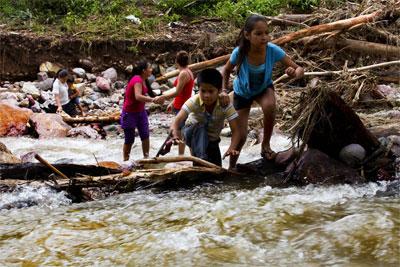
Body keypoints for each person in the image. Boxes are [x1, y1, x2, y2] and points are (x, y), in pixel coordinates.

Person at [221, 14, 304, 160]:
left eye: (266, 33)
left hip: (262, 88)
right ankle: (232, 167)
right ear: (247, 35)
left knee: (270, 105)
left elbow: (299, 69)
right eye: (258, 34)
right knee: (240, 137)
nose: (264, 37)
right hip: (242, 93)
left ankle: (265, 145)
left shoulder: (272, 50)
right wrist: (223, 91)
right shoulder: (239, 52)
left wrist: (294, 74)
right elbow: (226, 70)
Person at [170, 68, 241, 169]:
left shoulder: (225, 104)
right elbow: (176, 122)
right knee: (200, 127)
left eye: (211, 91)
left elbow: (236, 130)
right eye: (203, 91)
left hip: (212, 140)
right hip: (192, 133)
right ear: (198, 89)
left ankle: (203, 162)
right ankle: (201, 161)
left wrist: (232, 147)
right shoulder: (194, 101)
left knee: (217, 170)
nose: (206, 95)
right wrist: (175, 135)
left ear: (219, 90)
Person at [155, 51, 195, 156]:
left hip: (182, 107)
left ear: (176, 62)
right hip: (181, 105)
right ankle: (184, 156)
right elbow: (182, 92)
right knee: (181, 132)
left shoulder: (183, 73)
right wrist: (172, 102)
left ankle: (184, 157)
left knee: (182, 133)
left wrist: (163, 97)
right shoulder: (188, 71)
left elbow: (177, 91)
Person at [121, 60, 161, 161]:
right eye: (150, 68)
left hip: (140, 112)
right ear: (144, 70)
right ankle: (126, 160)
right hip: (129, 113)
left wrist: (160, 97)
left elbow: (150, 94)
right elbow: (138, 96)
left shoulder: (144, 79)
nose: (151, 69)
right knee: (129, 139)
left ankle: (146, 158)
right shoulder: (137, 79)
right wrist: (153, 100)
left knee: (145, 135)